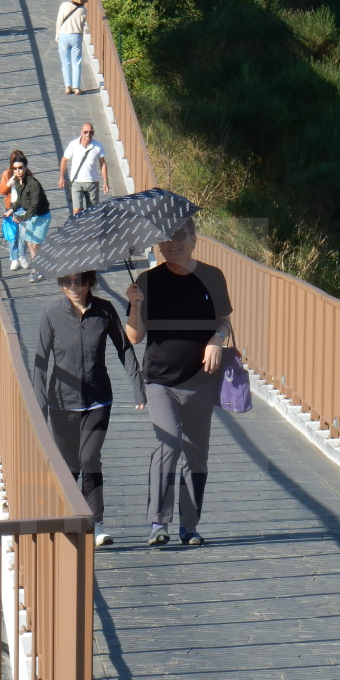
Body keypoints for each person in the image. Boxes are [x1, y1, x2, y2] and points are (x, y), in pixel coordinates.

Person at [125, 218, 232, 547]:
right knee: (168, 444)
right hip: (159, 380)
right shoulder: (147, 281)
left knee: (197, 455)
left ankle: (190, 526)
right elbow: (134, 335)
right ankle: (159, 522)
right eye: (165, 239)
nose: (172, 244)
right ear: (157, 245)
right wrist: (134, 305)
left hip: (201, 380)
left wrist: (217, 339)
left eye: (179, 237)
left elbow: (225, 323)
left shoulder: (212, 277)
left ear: (194, 239)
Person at [32, 271, 146, 545]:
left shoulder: (104, 310)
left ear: (90, 282)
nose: (73, 288)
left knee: (90, 458)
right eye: (66, 282)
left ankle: (95, 524)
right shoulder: (51, 315)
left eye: (80, 282)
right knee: (69, 465)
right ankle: (67, 519)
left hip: (98, 400)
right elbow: (40, 362)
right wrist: (39, 406)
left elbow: (124, 348)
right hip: (62, 403)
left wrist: (137, 385)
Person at [6, 152, 51, 282]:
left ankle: (35, 270)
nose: (18, 171)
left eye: (20, 168)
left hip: (42, 216)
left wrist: (22, 218)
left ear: (26, 168)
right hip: (30, 217)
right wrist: (11, 210)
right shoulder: (19, 182)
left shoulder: (33, 183)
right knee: (31, 244)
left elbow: (34, 206)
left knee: (36, 244)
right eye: (15, 168)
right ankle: (39, 268)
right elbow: (20, 201)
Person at [58, 123, 109, 214]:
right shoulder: (73, 144)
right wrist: (61, 177)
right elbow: (64, 160)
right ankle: (76, 227)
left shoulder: (98, 146)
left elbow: (102, 163)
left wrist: (105, 181)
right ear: (81, 132)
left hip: (92, 182)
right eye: (86, 132)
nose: (88, 134)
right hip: (76, 182)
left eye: (91, 132)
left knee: (92, 211)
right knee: (77, 210)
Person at [0, 149, 29, 270]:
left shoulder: (27, 173)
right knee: (12, 235)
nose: (17, 169)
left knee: (23, 234)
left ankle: (22, 256)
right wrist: (10, 181)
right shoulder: (7, 174)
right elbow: (2, 191)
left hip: (23, 207)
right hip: (11, 207)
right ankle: (14, 259)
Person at [54, 0, 87, 95]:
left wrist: (57, 34)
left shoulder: (64, 6)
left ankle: (67, 86)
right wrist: (81, 39)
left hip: (64, 35)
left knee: (65, 62)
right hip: (76, 36)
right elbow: (83, 27)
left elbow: (59, 21)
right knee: (76, 62)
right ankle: (76, 87)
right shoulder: (83, 11)